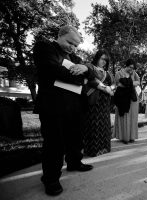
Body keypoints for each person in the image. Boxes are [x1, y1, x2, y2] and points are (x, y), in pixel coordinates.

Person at [33, 25, 93, 196]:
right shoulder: (44, 47)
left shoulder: (75, 57)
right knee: (54, 143)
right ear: (60, 35)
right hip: (53, 106)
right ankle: (51, 179)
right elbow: (51, 70)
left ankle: (74, 162)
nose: (72, 48)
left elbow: (88, 77)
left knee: (76, 137)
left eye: (76, 45)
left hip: (75, 105)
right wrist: (79, 76)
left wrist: (85, 71)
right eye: (70, 43)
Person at [82, 49, 114, 157]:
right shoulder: (90, 67)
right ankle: (93, 150)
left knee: (104, 125)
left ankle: (104, 148)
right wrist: (106, 88)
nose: (104, 62)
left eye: (106, 60)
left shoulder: (108, 73)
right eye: (102, 59)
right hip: (93, 100)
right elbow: (90, 81)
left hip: (105, 103)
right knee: (93, 125)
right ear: (97, 57)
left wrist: (111, 88)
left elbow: (113, 85)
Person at [113, 59, 140, 144]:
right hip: (122, 97)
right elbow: (117, 84)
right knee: (124, 117)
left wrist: (128, 82)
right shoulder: (119, 73)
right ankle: (124, 137)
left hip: (132, 97)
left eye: (133, 68)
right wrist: (130, 83)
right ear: (126, 65)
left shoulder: (134, 73)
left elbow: (138, 82)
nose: (131, 69)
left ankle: (131, 137)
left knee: (132, 117)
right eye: (130, 67)